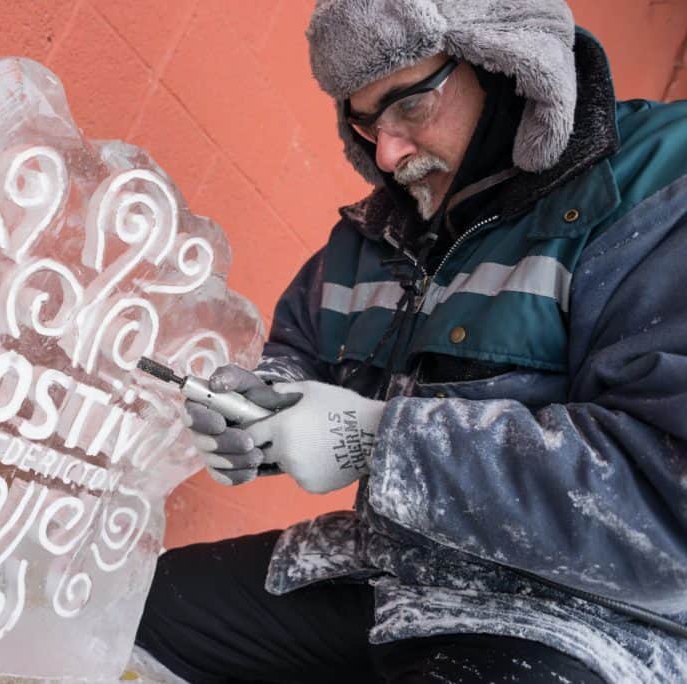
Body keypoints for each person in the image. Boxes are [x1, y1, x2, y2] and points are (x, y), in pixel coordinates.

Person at [132, 1, 687, 682]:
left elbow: (668, 497)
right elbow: (301, 350)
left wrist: (379, 440)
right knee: (136, 609)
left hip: (599, 621)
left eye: (411, 107)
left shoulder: (661, 188)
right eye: (364, 122)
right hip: (394, 573)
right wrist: (258, 413)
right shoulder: (378, 232)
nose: (387, 154)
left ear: (509, 66)